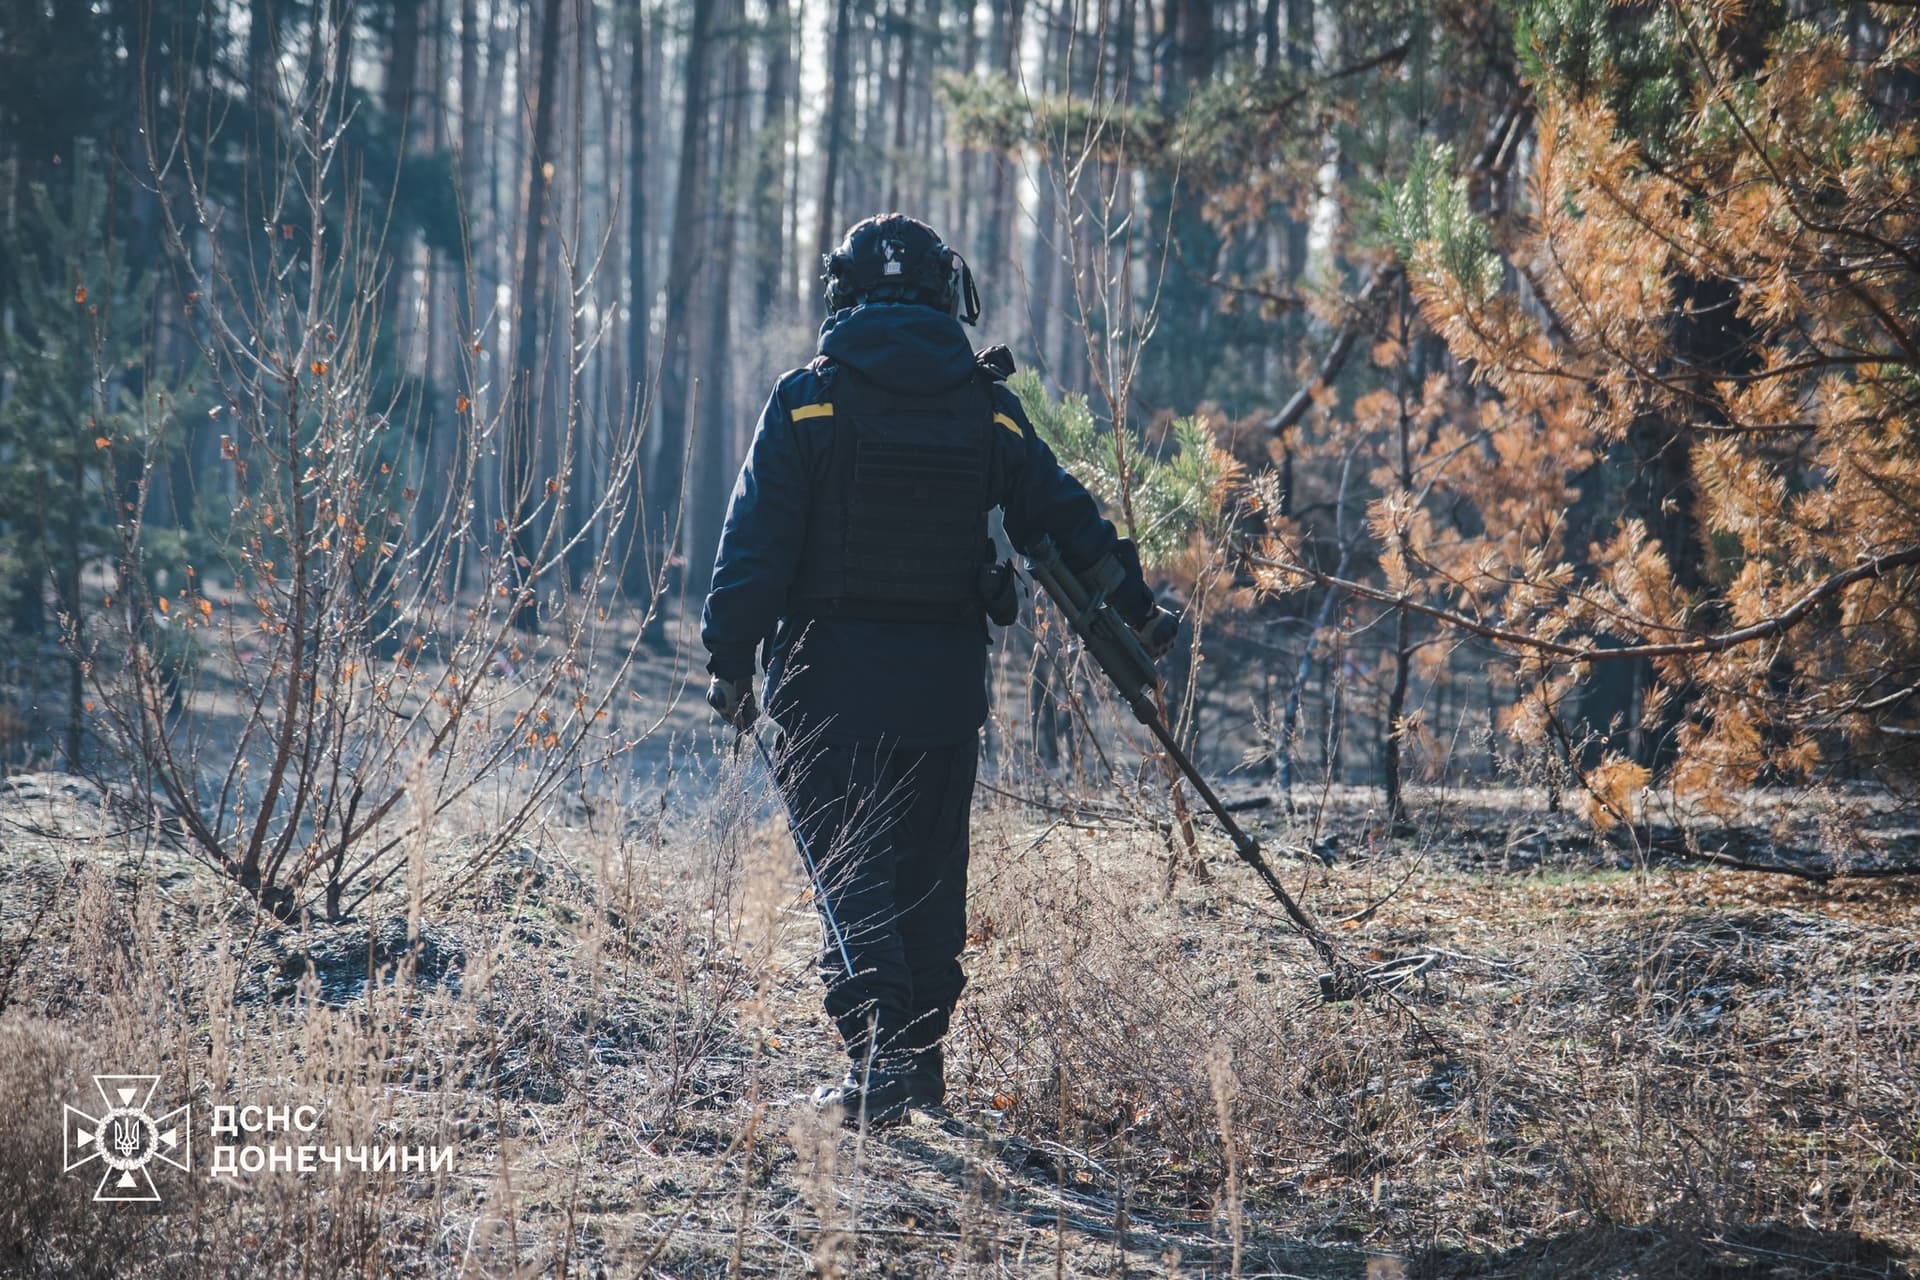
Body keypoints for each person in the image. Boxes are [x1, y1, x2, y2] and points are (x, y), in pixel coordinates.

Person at [700, 213, 1178, 1128]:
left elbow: (754, 546)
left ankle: (882, 1065)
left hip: (826, 687)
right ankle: (917, 1065)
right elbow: (1062, 515)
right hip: (945, 691)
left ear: (842, 291)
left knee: (853, 875)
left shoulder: (807, 399)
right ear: (944, 293)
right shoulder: (984, 404)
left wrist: (730, 660)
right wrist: (1138, 603)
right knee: (925, 877)